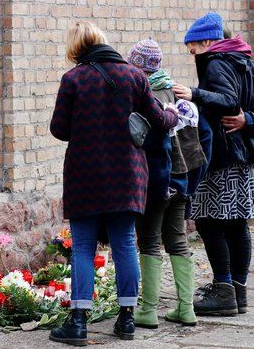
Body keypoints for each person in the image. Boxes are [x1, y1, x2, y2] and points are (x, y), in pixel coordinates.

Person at [49, 22, 178, 345]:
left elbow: (59, 129)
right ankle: (127, 320)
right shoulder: (134, 76)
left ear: (76, 48)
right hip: (128, 176)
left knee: (82, 247)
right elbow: (159, 121)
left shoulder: (73, 79)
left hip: (84, 176)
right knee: (124, 245)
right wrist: (174, 113)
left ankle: (78, 323)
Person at [172, 12, 254, 316]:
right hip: (244, 155)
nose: (191, 52)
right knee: (237, 225)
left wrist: (194, 93)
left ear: (209, 41)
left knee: (208, 222)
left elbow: (226, 100)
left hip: (221, 156)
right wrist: (252, 120)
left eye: (193, 45)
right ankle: (238, 292)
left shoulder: (217, 63)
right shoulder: (249, 64)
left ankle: (224, 291)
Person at [126, 38, 208, 329]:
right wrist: (190, 184)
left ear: (136, 66)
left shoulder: (143, 95)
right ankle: (186, 309)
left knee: (148, 241)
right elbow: (202, 142)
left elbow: (152, 147)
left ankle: (148, 311)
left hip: (156, 183)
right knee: (178, 241)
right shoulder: (180, 93)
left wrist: (153, 185)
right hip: (183, 182)